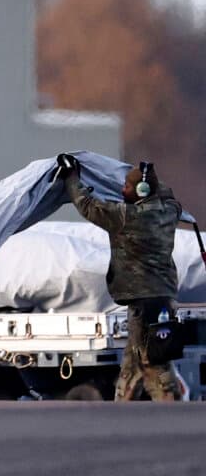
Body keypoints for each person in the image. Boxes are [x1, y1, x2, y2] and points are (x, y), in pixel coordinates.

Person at [57, 154, 183, 400]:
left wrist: (71, 178)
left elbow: (88, 206)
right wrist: (147, 175)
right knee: (136, 360)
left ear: (142, 190)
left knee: (153, 361)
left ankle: (171, 409)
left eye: (127, 186)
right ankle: (121, 405)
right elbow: (165, 194)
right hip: (164, 297)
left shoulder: (127, 217)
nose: (122, 190)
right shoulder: (170, 211)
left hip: (143, 301)